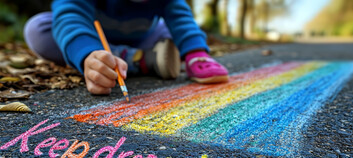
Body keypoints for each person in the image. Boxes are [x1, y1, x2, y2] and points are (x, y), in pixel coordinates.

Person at [24, 0, 229, 95]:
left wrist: (196, 54)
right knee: (38, 29)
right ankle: (140, 59)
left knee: (173, 31)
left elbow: (181, 19)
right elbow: (70, 16)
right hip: (97, 40)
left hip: (145, 37)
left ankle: (146, 56)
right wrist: (88, 55)